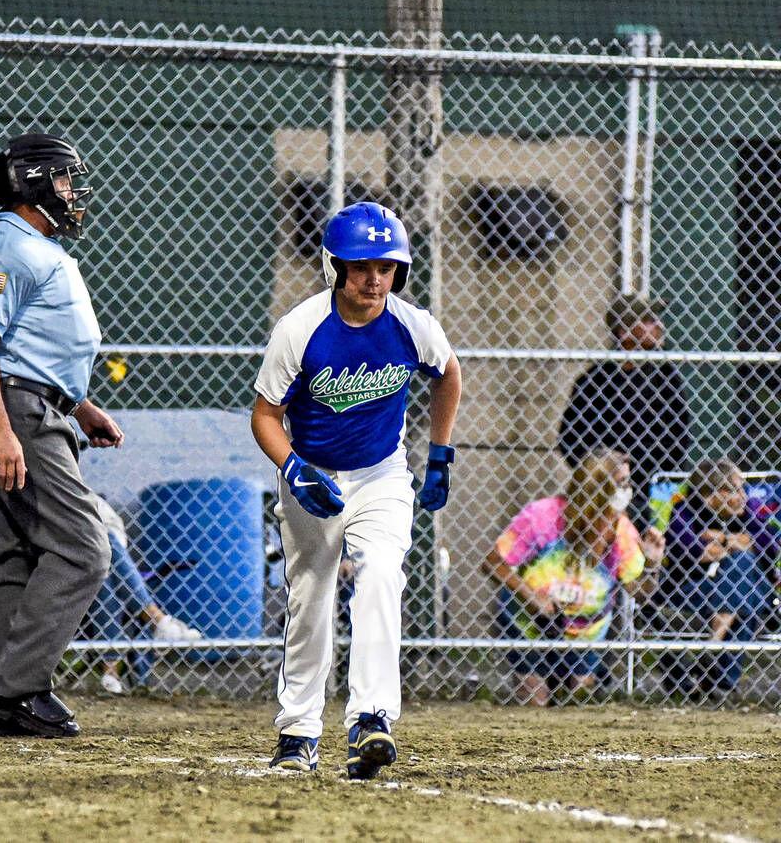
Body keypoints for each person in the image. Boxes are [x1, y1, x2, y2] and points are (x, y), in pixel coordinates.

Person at [251, 201, 462, 779]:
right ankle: (298, 732)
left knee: (380, 572)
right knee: (311, 594)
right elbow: (265, 414)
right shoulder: (301, 329)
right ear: (334, 267)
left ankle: (371, 717)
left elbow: (448, 373)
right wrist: (294, 468)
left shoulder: (412, 324)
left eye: (388, 267)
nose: (375, 279)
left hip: (382, 474)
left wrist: (440, 453)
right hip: (312, 473)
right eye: (362, 266)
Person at [0, 133, 123, 739]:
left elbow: (35, 346)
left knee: (20, 561)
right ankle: (18, 689)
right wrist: (4, 431)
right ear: (31, 185)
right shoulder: (11, 246)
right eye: (61, 181)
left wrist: (80, 407)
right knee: (85, 549)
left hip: (39, 408)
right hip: (21, 416)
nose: (71, 192)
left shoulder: (33, 246)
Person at [484, 449, 665, 706]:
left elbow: (641, 592)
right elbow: (493, 563)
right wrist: (532, 596)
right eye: (621, 482)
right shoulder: (542, 515)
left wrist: (651, 563)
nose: (628, 489)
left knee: (578, 704)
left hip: (586, 632)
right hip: (530, 625)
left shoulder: (622, 530)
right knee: (533, 702)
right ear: (599, 486)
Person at [558, 294, 691, 524]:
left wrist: (651, 470)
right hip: (602, 490)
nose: (659, 325)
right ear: (624, 332)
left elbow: (680, 432)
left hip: (651, 488)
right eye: (649, 320)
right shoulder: (594, 381)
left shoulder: (665, 376)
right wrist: (601, 468)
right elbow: (570, 438)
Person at [660, 458, 779, 697]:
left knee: (743, 572)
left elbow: (771, 544)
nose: (744, 495)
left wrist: (719, 539)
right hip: (693, 590)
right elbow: (688, 548)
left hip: (736, 591)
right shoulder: (685, 510)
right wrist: (737, 542)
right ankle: (722, 680)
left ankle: (712, 647)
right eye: (736, 489)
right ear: (712, 493)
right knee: (746, 584)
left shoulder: (747, 509)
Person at [88, 494, 203, 695]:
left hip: (99, 557)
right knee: (102, 545)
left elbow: (113, 524)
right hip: (70, 557)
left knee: (104, 567)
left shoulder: (77, 488)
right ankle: (157, 620)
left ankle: (111, 672)